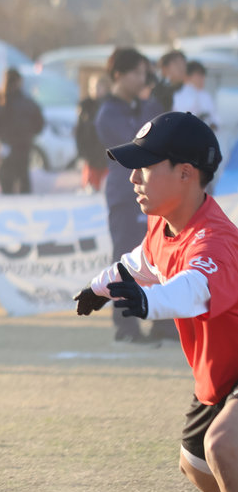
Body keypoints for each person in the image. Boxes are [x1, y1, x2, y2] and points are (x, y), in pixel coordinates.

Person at [72, 111, 238, 492]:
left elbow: (194, 289)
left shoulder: (215, 242)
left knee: (222, 446)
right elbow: (141, 263)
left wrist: (149, 302)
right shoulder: (164, 224)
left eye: (145, 167)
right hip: (221, 373)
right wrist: (99, 287)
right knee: (195, 464)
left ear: (185, 173)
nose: (133, 177)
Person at [94, 47, 166, 344]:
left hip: (154, 196)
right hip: (125, 196)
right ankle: (126, 327)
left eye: (144, 73)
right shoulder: (108, 113)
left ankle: (163, 324)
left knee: (160, 259)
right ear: (118, 75)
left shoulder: (144, 106)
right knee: (127, 263)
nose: (142, 79)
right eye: (137, 73)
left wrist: (160, 104)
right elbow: (138, 144)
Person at [0, 67, 44, 195]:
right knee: (23, 185)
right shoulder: (28, 103)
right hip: (23, 149)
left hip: (5, 150)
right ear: (19, 82)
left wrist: (0, 132)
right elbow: (39, 126)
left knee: (6, 188)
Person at [75, 74, 110, 193]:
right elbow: (79, 131)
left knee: (106, 187)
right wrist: (81, 152)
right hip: (90, 153)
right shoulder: (85, 106)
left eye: (99, 87)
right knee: (90, 188)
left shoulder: (110, 105)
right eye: (93, 87)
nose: (95, 90)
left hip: (106, 153)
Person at [174, 60, 219, 130]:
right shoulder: (177, 95)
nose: (202, 79)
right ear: (187, 76)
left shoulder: (206, 96)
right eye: (199, 75)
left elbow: (216, 120)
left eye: (203, 75)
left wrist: (211, 123)